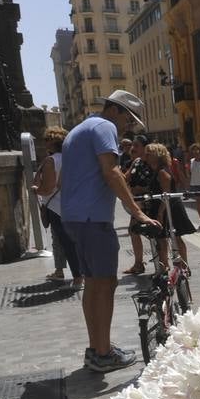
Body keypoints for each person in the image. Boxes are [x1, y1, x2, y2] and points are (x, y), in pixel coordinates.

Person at [58, 89, 157, 372]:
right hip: (93, 219)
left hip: (76, 218)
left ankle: (96, 348)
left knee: (93, 284)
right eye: (129, 118)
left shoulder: (80, 128)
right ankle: (103, 354)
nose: (129, 125)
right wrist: (136, 212)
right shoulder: (104, 127)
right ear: (116, 110)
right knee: (105, 284)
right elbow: (111, 172)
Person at [31, 125, 82, 289]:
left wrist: (36, 190)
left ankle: (78, 278)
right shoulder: (72, 158)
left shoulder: (51, 161)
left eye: (47, 140)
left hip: (56, 207)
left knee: (67, 244)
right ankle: (82, 275)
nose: (45, 143)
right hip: (74, 205)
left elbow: (48, 188)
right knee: (75, 243)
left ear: (51, 143)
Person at [143, 142, 197, 267]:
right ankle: (168, 267)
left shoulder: (162, 171)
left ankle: (180, 266)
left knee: (173, 238)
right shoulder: (156, 170)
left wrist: (161, 213)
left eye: (149, 154)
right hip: (165, 206)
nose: (146, 156)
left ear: (156, 155)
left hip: (169, 207)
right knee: (165, 239)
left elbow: (165, 193)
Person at [122, 135, 157, 275]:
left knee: (155, 234)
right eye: (132, 145)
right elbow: (126, 177)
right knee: (133, 231)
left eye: (136, 145)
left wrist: (142, 189)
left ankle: (161, 264)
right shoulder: (136, 162)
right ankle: (138, 263)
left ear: (145, 147)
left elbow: (157, 182)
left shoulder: (152, 161)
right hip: (138, 205)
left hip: (151, 202)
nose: (133, 148)